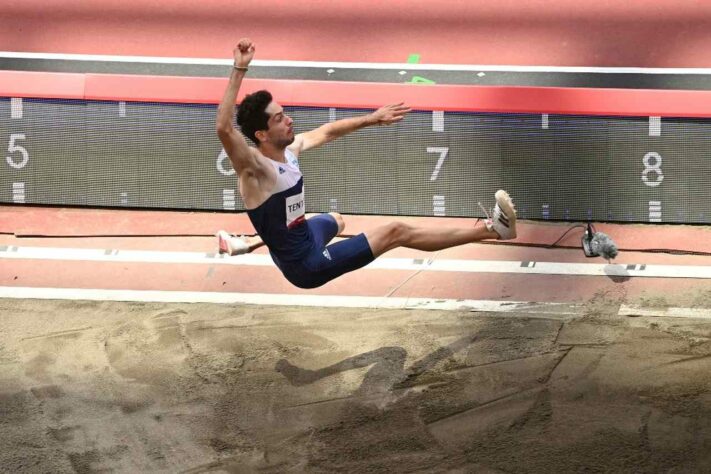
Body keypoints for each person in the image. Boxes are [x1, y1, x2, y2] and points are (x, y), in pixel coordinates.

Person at [215, 38, 517, 289]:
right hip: (305, 265)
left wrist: (372, 119)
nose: (289, 120)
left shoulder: (290, 149)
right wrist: (240, 67)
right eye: (279, 119)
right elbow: (224, 129)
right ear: (261, 134)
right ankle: (493, 230)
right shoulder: (256, 170)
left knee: (337, 219)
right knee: (395, 231)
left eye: (285, 113)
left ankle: (250, 242)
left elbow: (327, 131)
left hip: (304, 237)